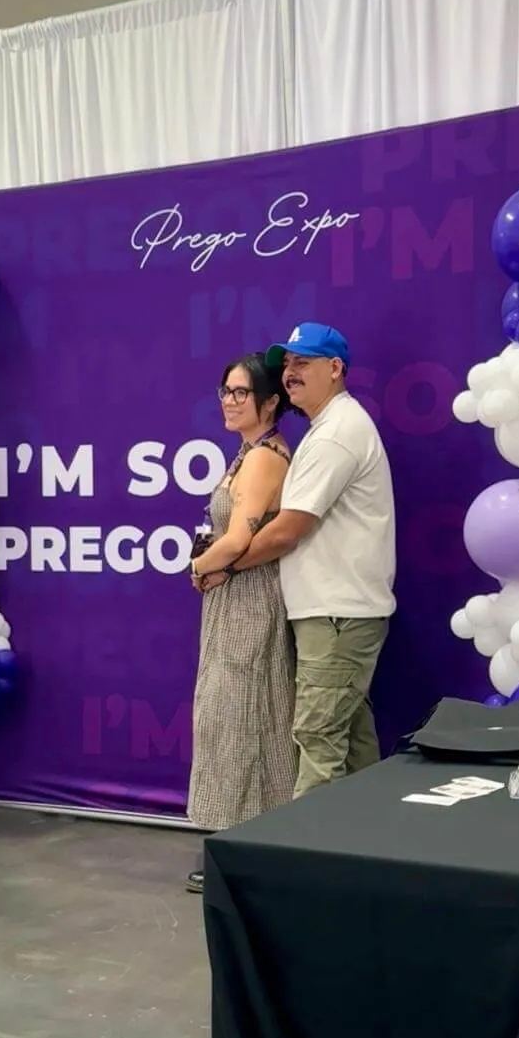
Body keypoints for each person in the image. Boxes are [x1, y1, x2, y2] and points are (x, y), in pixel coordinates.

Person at [200, 324, 395, 798]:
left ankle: (304, 867)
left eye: (303, 363)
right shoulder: (326, 429)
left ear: (336, 369)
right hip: (336, 612)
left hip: (336, 615)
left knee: (318, 742)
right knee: (349, 744)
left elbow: (288, 528)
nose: (290, 373)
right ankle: (363, 854)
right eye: (287, 364)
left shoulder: (335, 435)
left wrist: (223, 566)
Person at [185, 352, 298, 893]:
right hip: (234, 594)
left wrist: (199, 566)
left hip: (251, 597)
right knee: (230, 716)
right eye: (224, 391)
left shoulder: (264, 458)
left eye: (240, 392)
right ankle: (235, 844)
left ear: (271, 401)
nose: (229, 401)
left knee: (245, 715)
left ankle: (243, 848)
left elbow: (238, 539)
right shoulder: (248, 452)